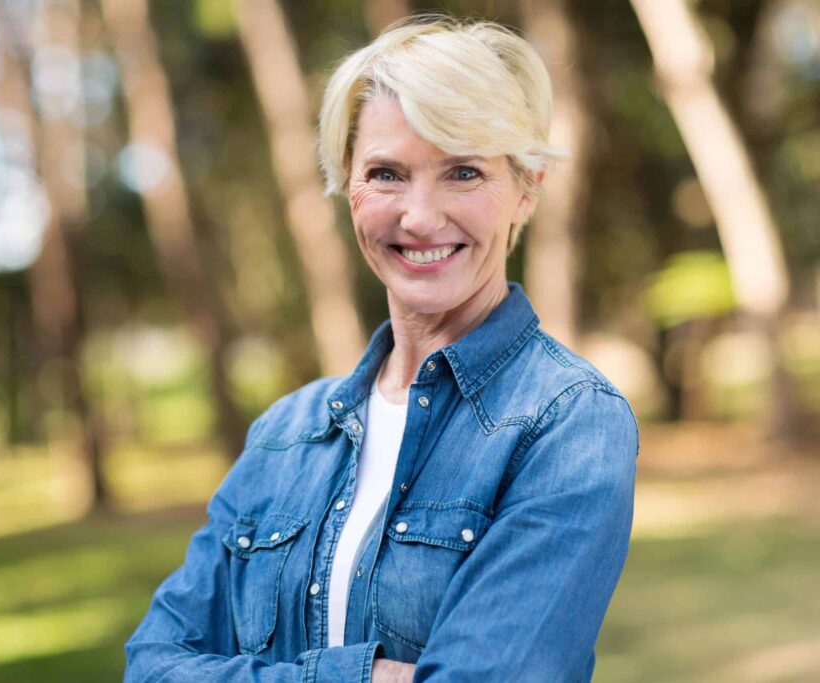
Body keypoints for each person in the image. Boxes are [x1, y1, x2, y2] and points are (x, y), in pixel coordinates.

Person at [124, 16, 638, 683]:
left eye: (463, 172)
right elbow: (151, 667)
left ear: (528, 186)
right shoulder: (284, 434)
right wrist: (362, 677)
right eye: (387, 174)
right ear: (347, 185)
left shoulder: (570, 422)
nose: (419, 217)